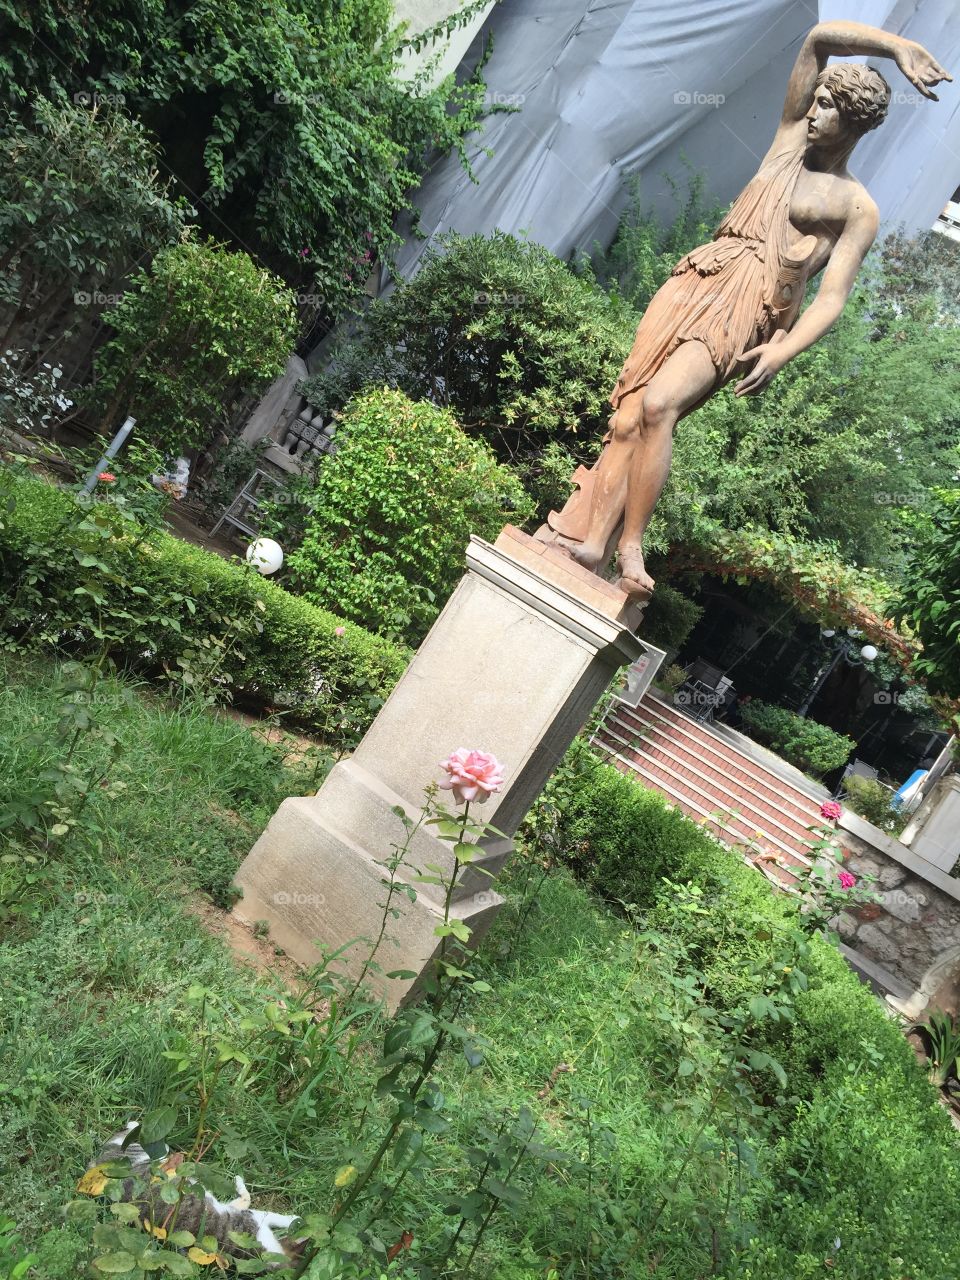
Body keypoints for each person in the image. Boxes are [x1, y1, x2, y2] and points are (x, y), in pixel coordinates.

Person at [536, 20, 951, 598]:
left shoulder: (857, 206)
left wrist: (782, 348)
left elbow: (831, 298)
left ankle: (630, 546)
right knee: (628, 416)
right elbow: (817, 40)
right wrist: (897, 46)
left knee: (660, 407)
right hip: (699, 275)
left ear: (853, 122)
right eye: (817, 98)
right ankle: (590, 542)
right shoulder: (787, 141)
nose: (813, 112)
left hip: (749, 305)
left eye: (828, 107)